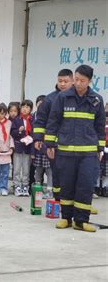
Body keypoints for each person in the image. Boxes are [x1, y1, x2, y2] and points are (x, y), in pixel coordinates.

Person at [46, 65, 105, 232]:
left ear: (90, 81)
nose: (78, 83)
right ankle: (66, 218)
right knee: (66, 185)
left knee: (85, 185)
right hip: (65, 151)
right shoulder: (63, 97)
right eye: (77, 79)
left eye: (82, 80)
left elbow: (100, 127)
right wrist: (50, 144)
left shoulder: (96, 100)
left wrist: (100, 148)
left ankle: (81, 221)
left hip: (88, 153)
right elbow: (53, 121)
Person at [33, 68, 74, 201]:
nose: (62, 84)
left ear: (72, 81)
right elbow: (41, 120)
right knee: (57, 171)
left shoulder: (77, 98)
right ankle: (58, 199)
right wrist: (38, 138)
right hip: (55, 143)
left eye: (65, 81)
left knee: (73, 173)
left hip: (74, 143)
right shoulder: (50, 99)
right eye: (60, 81)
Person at [10, 99, 34, 197]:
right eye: (23, 107)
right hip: (18, 147)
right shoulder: (16, 119)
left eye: (27, 107)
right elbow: (12, 133)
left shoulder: (33, 120)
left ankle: (25, 185)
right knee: (16, 167)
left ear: (31, 109)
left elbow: (34, 133)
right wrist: (19, 131)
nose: (24, 109)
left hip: (28, 148)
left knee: (26, 168)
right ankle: (16, 185)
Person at [32, 95, 53, 199]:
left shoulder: (51, 119)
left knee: (49, 171)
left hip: (48, 149)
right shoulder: (35, 119)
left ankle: (50, 190)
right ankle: (37, 189)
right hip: (38, 151)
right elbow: (35, 137)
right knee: (38, 170)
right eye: (39, 104)